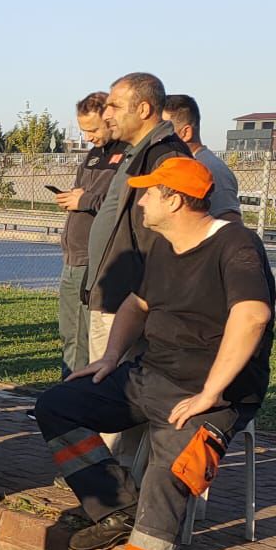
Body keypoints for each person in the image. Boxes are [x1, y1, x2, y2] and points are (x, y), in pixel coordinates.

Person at [34, 157, 275, 550]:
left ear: (176, 199)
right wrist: (109, 358)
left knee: (165, 484)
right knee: (57, 404)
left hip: (209, 399)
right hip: (148, 378)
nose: (139, 201)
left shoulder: (237, 245)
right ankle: (116, 505)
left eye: (148, 193)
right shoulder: (163, 246)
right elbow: (136, 305)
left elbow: (251, 316)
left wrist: (210, 394)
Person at [82, 72, 193, 367]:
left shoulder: (165, 156)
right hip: (113, 294)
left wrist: (143, 298)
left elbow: (169, 234)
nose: (106, 115)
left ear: (143, 110)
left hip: (129, 302)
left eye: (115, 106)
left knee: (114, 391)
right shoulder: (137, 153)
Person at [55, 92, 126, 376]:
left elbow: (117, 203)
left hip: (94, 259)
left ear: (110, 119)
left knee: (88, 336)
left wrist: (84, 201)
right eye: (83, 130)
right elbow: (85, 194)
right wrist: (72, 199)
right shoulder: (94, 154)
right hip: (72, 256)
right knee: (69, 332)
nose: (88, 137)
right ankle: (66, 397)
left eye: (94, 129)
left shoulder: (127, 156)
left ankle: (75, 400)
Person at [162, 94, 243, 220]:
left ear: (186, 133)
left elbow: (231, 225)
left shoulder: (212, 170)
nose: (157, 139)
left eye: (163, 132)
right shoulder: (186, 164)